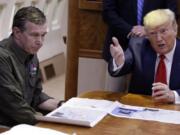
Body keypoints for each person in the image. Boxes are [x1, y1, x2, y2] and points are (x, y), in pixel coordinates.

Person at [0, 6, 61, 126]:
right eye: (34, 35)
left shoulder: (30, 52)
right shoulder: (2, 58)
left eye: (43, 35)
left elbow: (36, 96)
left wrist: (62, 106)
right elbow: (15, 106)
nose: (40, 42)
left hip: (20, 121)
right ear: (17, 32)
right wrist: (48, 123)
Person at [108, 9, 180, 104]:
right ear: (147, 35)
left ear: (175, 29)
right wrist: (119, 61)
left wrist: (173, 95)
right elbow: (123, 65)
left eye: (163, 31)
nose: (158, 38)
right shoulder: (138, 47)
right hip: (141, 108)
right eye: (153, 33)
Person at [102, 0, 177, 62]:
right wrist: (130, 30)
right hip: (120, 46)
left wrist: (148, 29)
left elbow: (171, 14)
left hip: (153, 49)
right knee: (117, 78)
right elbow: (108, 12)